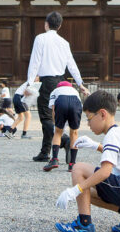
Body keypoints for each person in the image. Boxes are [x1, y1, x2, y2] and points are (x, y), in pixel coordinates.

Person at [53, 91, 120, 232]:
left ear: (102, 114)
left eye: (89, 118)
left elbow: (105, 172)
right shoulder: (118, 132)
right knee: (85, 193)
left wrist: (74, 190)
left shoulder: (112, 135)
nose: (88, 123)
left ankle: (84, 226)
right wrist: (95, 146)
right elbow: (117, 156)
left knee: (79, 169)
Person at [26, 11, 90, 164]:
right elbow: (72, 65)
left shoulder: (40, 38)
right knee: (54, 117)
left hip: (46, 82)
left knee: (46, 117)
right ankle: (45, 151)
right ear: (59, 26)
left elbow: (35, 62)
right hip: (62, 82)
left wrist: (29, 83)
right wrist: (80, 84)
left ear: (46, 24)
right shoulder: (64, 42)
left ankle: (65, 140)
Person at [44, 81, 82, 172]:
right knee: (74, 133)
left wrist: (56, 123)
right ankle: (72, 164)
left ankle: (54, 160)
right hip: (75, 103)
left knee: (58, 132)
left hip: (61, 101)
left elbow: (53, 109)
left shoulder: (55, 91)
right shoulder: (74, 90)